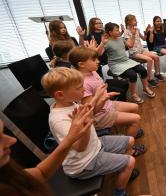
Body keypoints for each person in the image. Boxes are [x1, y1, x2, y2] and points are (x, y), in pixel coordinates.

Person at [41, 68, 139, 196]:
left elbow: (90, 112)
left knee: (130, 141)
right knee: (130, 161)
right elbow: (80, 148)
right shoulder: (59, 120)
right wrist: (87, 123)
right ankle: (120, 192)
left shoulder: (69, 103)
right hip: (84, 163)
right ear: (60, 94)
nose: (83, 89)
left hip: (95, 145)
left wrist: (99, 98)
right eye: (78, 88)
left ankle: (122, 169)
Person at [0, 108, 95, 195]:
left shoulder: (8, 172)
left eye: (3, 133)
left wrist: (69, 139)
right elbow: (80, 147)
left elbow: (40, 172)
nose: (12, 140)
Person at [68, 47, 144, 140]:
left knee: (135, 107)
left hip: (107, 105)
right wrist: (103, 97)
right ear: (81, 64)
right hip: (100, 115)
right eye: (94, 60)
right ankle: (128, 143)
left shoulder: (92, 71)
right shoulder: (83, 84)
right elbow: (92, 111)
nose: (98, 61)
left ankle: (130, 129)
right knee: (136, 118)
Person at [103, 22, 155, 102]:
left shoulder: (120, 38)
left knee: (142, 70)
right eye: (117, 30)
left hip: (126, 61)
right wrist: (101, 43)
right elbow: (99, 54)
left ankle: (146, 88)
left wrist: (133, 35)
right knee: (132, 75)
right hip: (116, 64)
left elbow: (130, 45)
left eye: (118, 30)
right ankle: (133, 94)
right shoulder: (106, 42)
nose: (119, 31)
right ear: (110, 32)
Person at [84, 17, 129, 102]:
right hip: (98, 56)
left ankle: (116, 88)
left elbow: (116, 37)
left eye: (101, 23)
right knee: (99, 76)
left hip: (109, 55)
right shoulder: (90, 36)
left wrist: (122, 31)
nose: (100, 24)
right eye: (97, 23)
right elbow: (91, 49)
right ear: (93, 25)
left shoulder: (104, 33)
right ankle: (103, 93)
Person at [124, 14, 164, 87]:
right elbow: (129, 45)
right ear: (129, 22)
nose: (137, 21)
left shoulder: (137, 29)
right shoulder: (126, 32)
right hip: (134, 52)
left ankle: (157, 74)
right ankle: (149, 78)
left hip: (141, 50)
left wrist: (146, 31)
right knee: (149, 60)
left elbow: (144, 39)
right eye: (135, 20)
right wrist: (133, 34)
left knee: (156, 57)